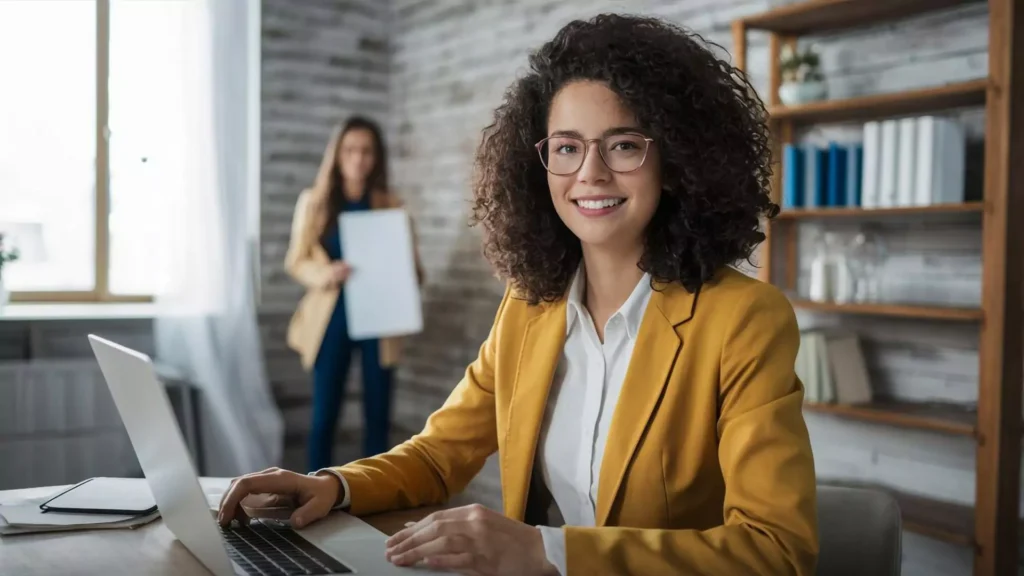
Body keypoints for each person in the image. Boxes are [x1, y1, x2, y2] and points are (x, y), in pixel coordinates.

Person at [222, 14, 818, 576]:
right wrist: (335, 484)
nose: (590, 173)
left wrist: (546, 550)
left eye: (624, 144)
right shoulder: (529, 306)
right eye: (566, 146)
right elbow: (439, 454)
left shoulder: (745, 319)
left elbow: (775, 549)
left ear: (677, 159)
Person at [283, 116, 423, 470]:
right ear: (337, 154)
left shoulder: (391, 205)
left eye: (366, 151)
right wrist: (326, 273)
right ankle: (313, 487)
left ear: (376, 158)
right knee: (325, 415)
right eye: (350, 150)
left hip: (380, 319)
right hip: (331, 320)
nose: (358, 159)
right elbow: (296, 261)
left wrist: (400, 271)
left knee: (378, 416)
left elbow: (415, 272)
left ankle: (370, 497)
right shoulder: (314, 203)